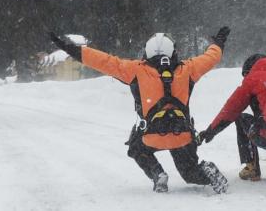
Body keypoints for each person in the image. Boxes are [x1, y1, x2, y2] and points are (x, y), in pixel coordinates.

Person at [49, 27, 231, 194]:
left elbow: (103, 61)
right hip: (182, 136)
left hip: (151, 136)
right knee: (190, 173)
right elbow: (211, 57)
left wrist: (71, 49)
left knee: (135, 147)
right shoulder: (189, 69)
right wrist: (218, 43)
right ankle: (206, 172)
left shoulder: (135, 70)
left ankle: (157, 173)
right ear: (173, 51)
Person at [197, 54, 266, 181]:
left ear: (248, 70)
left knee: (241, 118)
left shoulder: (253, 78)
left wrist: (210, 131)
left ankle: (252, 167)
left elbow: (230, 110)